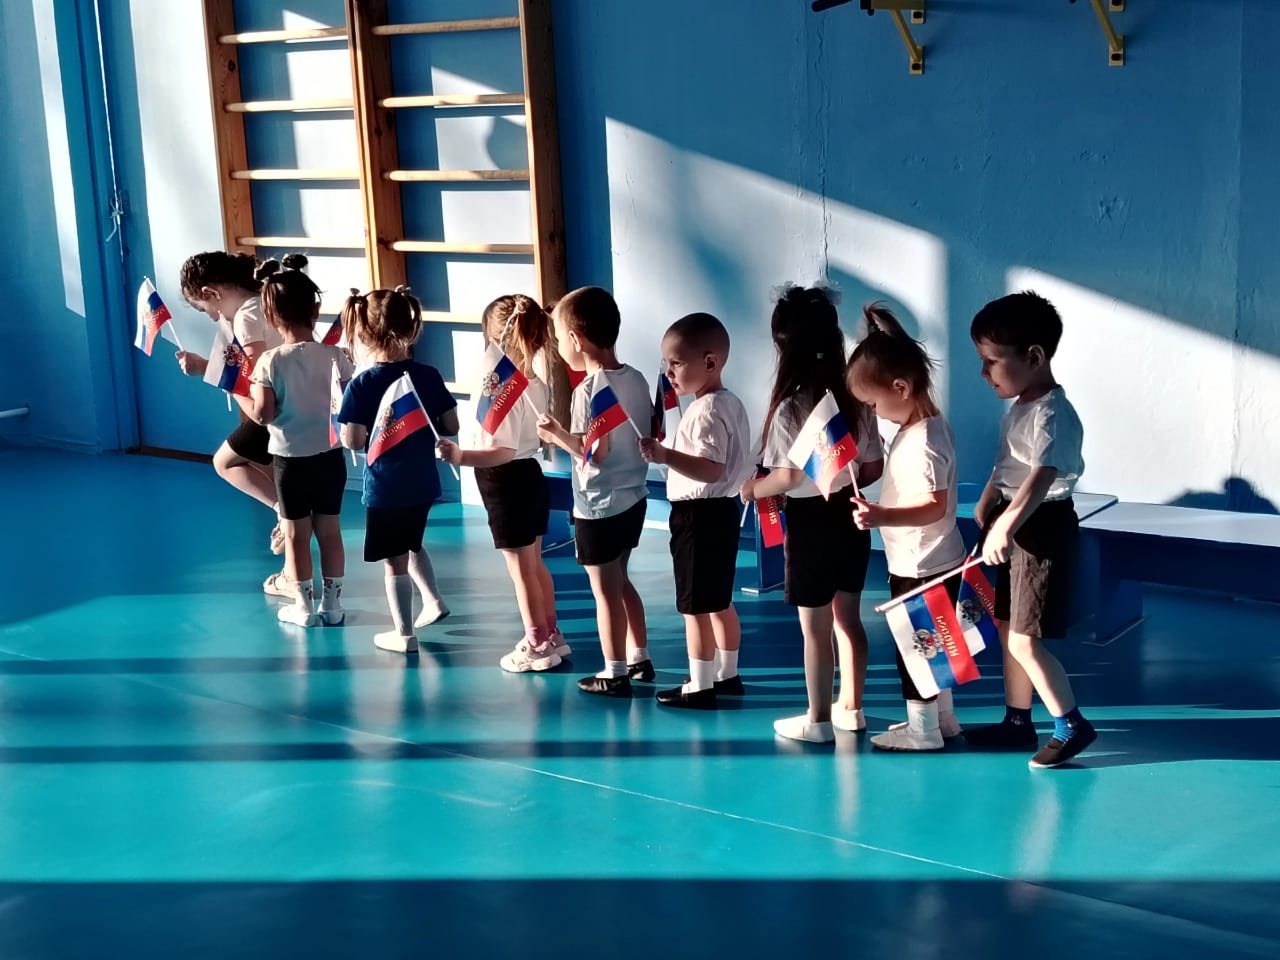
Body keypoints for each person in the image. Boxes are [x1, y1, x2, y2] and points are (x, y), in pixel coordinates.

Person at [740, 285, 883, 743]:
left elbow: (786, 478)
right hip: (850, 517)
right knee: (849, 620)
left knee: (815, 629)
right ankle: (852, 708)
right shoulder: (855, 399)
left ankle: (817, 719)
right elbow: (873, 467)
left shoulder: (790, 408)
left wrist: (752, 490)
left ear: (784, 348)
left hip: (809, 524)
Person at [966, 290, 1096, 768]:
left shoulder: (1053, 413)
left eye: (991, 361)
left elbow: (1042, 475)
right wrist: (989, 499)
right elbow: (1009, 463)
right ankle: (1017, 720)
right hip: (1016, 520)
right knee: (1007, 627)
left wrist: (1006, 524)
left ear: (1034, 357)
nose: (984, 373)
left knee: (1024, 637)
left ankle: (1071, 724)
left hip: (1040, 528)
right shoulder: (1021, 406)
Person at [846, 304, 967, 750]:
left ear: (900, 387)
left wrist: (882, 516)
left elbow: (934, 506)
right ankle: (944, 720)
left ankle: (924, 729)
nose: (875, 412)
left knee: (917, 649)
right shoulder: (926, 427)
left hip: (921, 564)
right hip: (933, 557)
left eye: (873, 404)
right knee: (936, 646)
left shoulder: (925, 441)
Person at [436, 294, 567, 672]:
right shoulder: (536, 383)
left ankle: (536, 642)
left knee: (520, 570)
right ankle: (552, 634)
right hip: (530, 476)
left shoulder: (503, 389)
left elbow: (502, 452)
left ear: (495, 338)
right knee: (534, 564)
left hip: (506, 481)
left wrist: (460, 456)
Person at [536, 287, 652, 697]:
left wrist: (556, 434)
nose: (558, 346)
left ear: (576, 339)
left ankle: (614, 670)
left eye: (558, 337)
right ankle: (640, 657)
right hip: (634, 497)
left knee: (604, 593)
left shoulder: (589, 391)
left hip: (599, 507)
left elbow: (594, 453)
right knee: (622, 581)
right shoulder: (635, 378)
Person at [639, 313, 752, 709]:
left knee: (694, 607)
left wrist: (665, 455)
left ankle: (701, 685)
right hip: (722, 512)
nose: (668, 372)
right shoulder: (731, 403)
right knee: (719, 600)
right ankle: (727, 674)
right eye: (666, 363)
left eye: (676, 363)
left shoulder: (706, 411)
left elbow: (710, 468)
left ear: (710, 362)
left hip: (698, 516)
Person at [337, 288, 459, 653]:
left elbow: (354, 441)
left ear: (364, 333)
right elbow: (451, 425)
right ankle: (433, 600)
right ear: (412, 326)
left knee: (394, 561)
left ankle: (403, 634)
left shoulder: (362, 384)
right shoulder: (429, 375)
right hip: (423, 482)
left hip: (385, 487)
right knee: (412, 541)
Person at [246, 257, 352, 627]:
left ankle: (304, 607)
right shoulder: (336, 356)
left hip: (290, 461)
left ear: (269, 316)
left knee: (296, 534)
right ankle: (333, 605)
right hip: (330, 457)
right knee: (330, 531)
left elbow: (263, 414)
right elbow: (348, 402)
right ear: (315, 310)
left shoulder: (269, 361)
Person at [176, 250, 290, 589]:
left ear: (211, 293)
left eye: (204, 309)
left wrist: (209, 372)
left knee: (225, 462)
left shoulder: (245, 318)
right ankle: (287, 532)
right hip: (298, 408)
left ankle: (282, 513)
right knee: (285, 487)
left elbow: (257, 387)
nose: (211, 317)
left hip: (276, 416)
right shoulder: (265, 301)